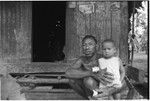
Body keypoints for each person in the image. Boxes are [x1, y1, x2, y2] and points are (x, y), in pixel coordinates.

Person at [65, 35, 118, 100]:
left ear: (96, 46)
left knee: (88, 81)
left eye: (90, 44)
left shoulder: (103, 58)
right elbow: (68, 73)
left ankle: (99, 98)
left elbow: (112, 79)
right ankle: (89, 98)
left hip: (104, 89)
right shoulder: (82, 59)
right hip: (89, 89)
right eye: (84, 45)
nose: (87, 47)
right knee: (72, 81)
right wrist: (91, 73)